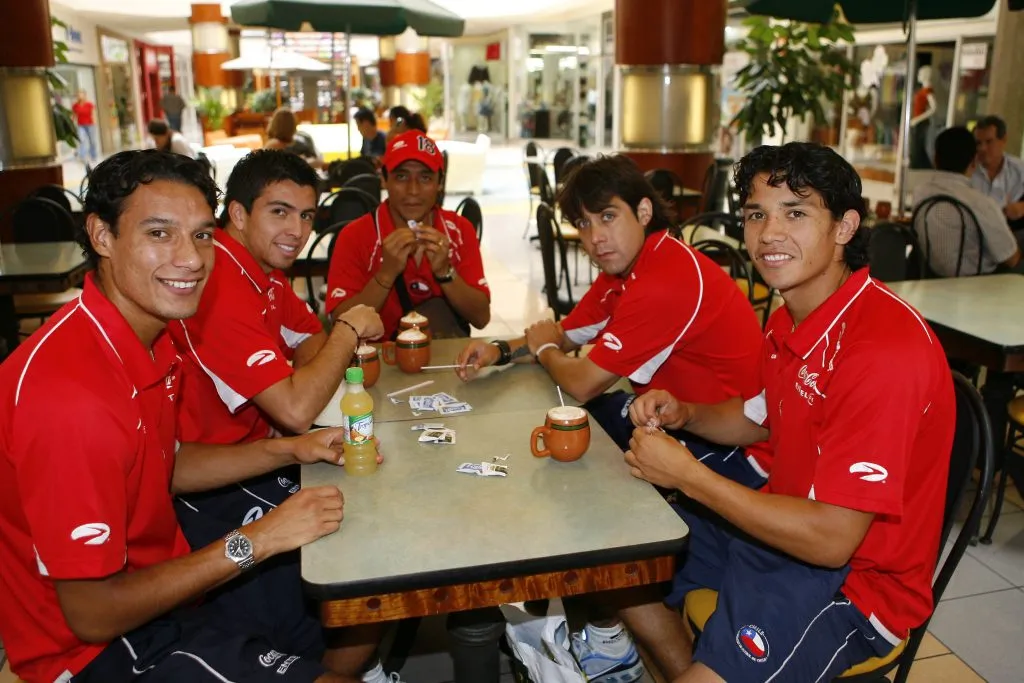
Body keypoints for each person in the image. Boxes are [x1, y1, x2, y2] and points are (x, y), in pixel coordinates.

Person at [0, 149, 365, 683]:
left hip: (161, 594)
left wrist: (287, 448)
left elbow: (163, 462)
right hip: (89, 652)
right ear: (101, 236)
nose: (192, 259)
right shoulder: (71, 398)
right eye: (159, 233)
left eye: (200, 235)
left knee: (352, 591)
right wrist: (260, 538)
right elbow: (92, 613)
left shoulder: (149, 336)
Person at [622, 142, 955, 682]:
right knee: (622, 561)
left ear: (845, 227)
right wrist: (687, 414)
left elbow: (831, 541)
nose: (769, 233)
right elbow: (758, 418)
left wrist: (691, 476)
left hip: (855, 584)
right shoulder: (791, 315)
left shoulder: (882, 350)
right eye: (757, 214)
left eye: (796, 213)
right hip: (778, 532)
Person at [454, 154, 767, 682]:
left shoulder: (664, 278)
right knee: (583, 436)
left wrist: (543, 350)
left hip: (740, 452)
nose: (595, 236)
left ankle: (624, 636)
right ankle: (605, 626)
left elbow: (578, 375)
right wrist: (501, 349)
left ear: (643, 211)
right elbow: (569, 332)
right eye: (583, 223)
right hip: (682, 423)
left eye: (607, 216)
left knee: (604, 525)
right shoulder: (628, 269)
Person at [326, 130, 491, 340]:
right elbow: (340, 326)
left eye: (425, 177)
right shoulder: (355, 236)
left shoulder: (458, 231)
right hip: (378, 362)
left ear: (440, 183)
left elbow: (481, 318)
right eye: (401, 176)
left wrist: (445, 272)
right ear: (384, 179)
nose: (413, 190)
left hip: (446, 362)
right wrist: (385, 275)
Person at [914, 126, 1021, 276]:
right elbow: (1012, 259)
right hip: (976, 284)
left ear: (935, 159)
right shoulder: (980, 203)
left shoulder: (920, 193)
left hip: (931, 278)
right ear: (974, 162)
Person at [971, 115, 1024, 234]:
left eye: (989, 142)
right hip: (974, 233)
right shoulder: (968, 170)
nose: (982, 148)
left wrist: (1022, 207)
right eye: (978, 143)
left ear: (1003, 140)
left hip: (1010, 233)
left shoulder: (1019, 169)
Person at [72, 89, 98, 164]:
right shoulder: (75, 106)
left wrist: (94, 123)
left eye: (81, 94)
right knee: (82, 140)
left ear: (84, 95)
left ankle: (93, 156)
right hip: (81, 126)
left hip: (90, 125)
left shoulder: (89, 104)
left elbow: (93, 114)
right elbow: (74, 116)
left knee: (92, 141)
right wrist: (72, 124)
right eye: (78, 94)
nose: (80, 96)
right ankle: (83, 157)